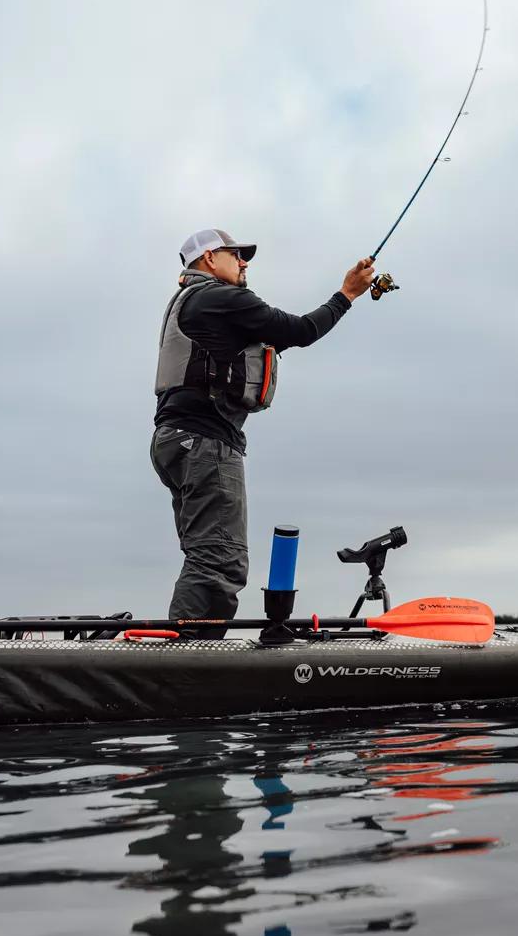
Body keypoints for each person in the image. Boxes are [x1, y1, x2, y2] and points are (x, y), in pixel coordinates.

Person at [152, 227, 375, 635]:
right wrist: (347, 294)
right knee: (220, 559)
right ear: (208, 260)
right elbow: (299, 331)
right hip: (204, 442)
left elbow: (277, 339)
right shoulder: (220, 298)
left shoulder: (195, 303)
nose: (244, 262)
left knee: (205, 554)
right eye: (235, 255)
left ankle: (185, 652)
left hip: (176, 440)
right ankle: (187, 664)